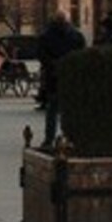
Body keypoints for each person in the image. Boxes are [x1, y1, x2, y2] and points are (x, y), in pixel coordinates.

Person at [36, 9, 86, 149]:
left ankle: (49, 139)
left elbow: (41, 55)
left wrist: (53, 64)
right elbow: (82, 54)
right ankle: (70, 137)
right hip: (71, 75)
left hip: (54, 76)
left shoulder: (46, 36)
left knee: (52, 109)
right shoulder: (76, 36)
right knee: (69, 108)